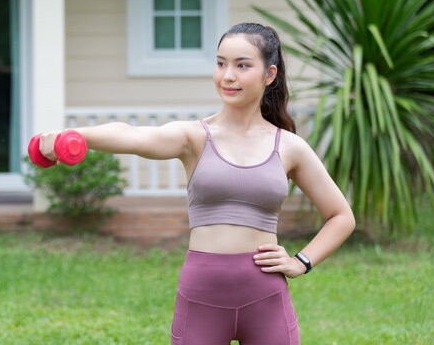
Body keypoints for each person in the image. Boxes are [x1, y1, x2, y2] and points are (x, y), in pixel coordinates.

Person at [37, 22, 356, 345]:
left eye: (242, 65)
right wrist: (73, 137)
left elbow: (341, 216)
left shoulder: (288, 146)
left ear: (269, 74)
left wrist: (300, 262)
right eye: (221, 63)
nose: (228, 76)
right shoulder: (194, 137)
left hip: (266, 296)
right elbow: (132, 134)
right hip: (201, 295)